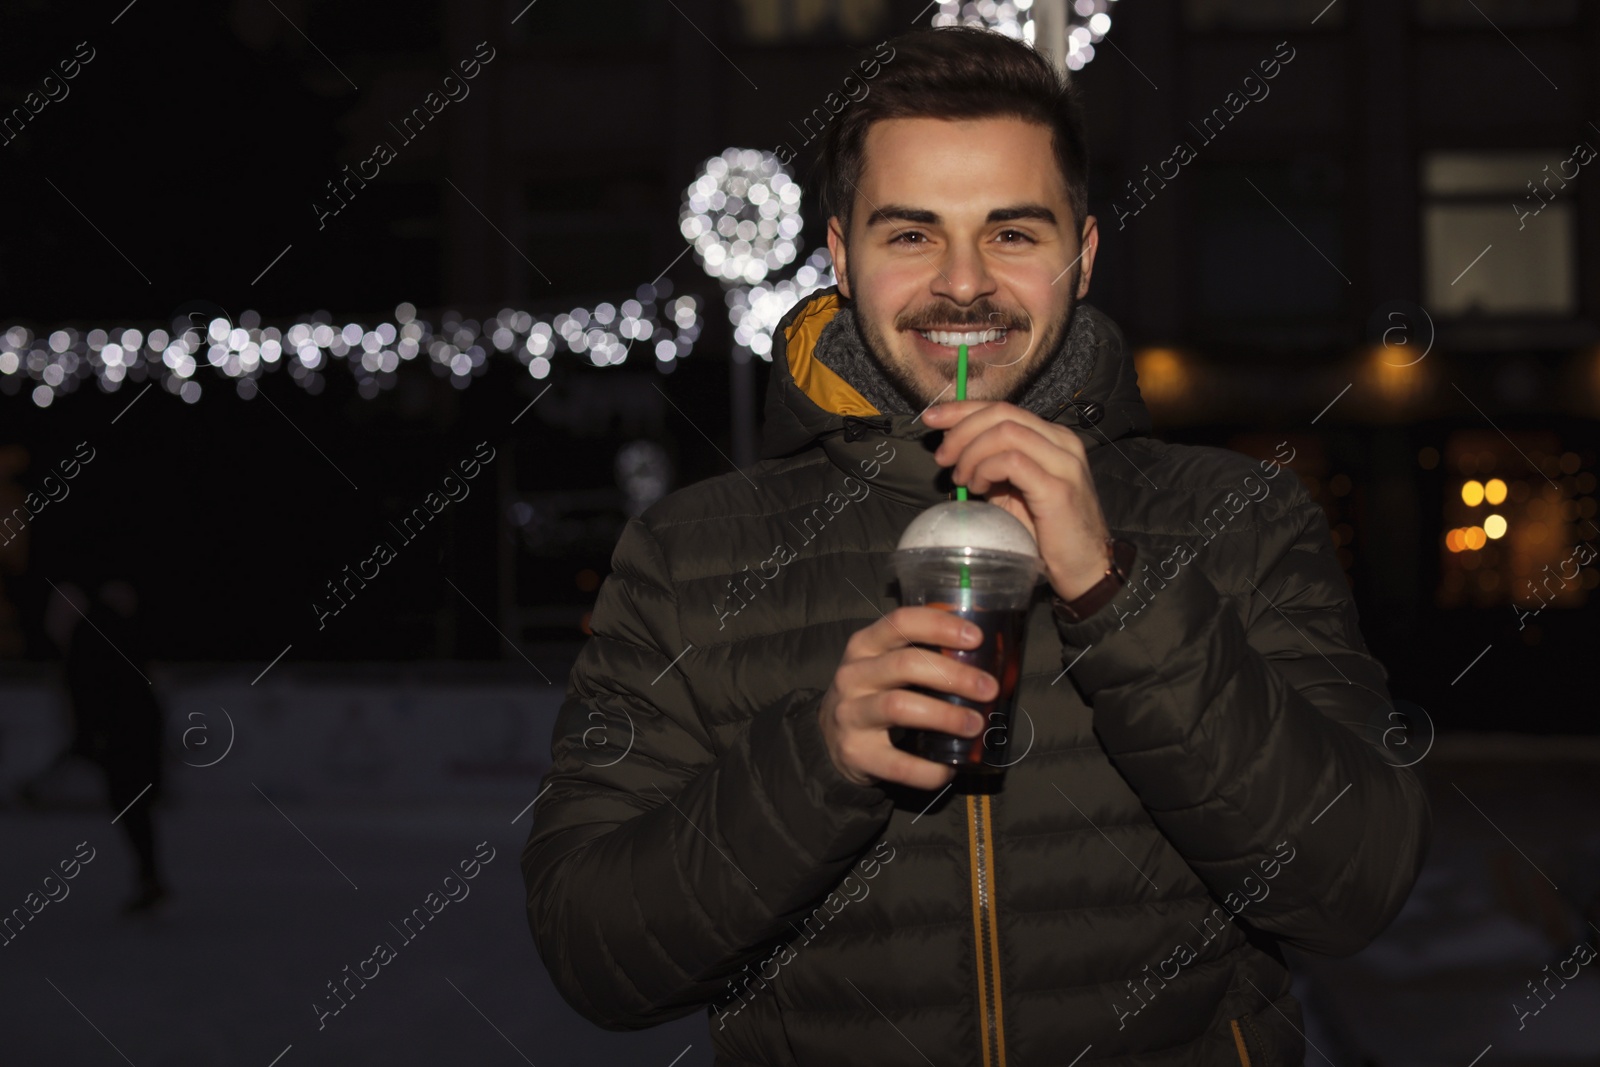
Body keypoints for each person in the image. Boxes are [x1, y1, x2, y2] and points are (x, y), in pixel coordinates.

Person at [522, 25, 1429, 1066]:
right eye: (909, 234)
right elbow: (592, 953)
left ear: (1080, 256)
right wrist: (816, 758)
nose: (962, 284)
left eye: (1012, 232)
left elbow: (1352, 887)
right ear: (838, 257)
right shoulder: (689, 553)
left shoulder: (1243, 517)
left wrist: (1116, 593)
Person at [36, 578, 169, 914]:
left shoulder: (88, 636)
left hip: (121, 735)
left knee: (128, 802)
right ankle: (148, 876)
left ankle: (149, 876)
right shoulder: (115, 631)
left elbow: (89, 693)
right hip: (137, 731)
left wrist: (90, 738)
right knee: (133, 804)